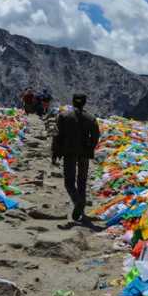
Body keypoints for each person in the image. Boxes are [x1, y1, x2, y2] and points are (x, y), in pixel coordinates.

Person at [51, 93, 101, 223]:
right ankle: (81, 207)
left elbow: (57, 135)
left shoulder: (63, 116)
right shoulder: (91, 118)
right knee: (82, 181)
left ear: (73, 102)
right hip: (84, 153)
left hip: (69, 152)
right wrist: (90, 147)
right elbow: (96, 136)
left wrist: (55, 152)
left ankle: (77, 202)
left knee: (69, 181)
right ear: (84, 103)